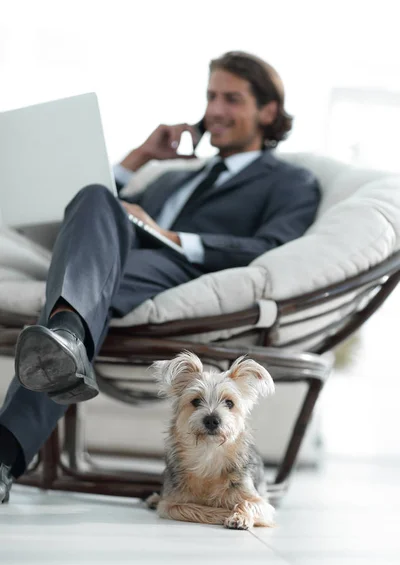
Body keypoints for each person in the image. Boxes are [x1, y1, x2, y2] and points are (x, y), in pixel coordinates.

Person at [0, 51, 320, 503]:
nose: (216, 111)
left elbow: (272, 246)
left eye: (232, 99)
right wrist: (139, 157)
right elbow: (87, 218)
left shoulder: (290, 182)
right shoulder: (170, 177)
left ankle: (9, 445)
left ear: (268, 111)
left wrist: (168, 235)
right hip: (112, 261)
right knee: (95, 194)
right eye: (211, 97)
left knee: (84, 288)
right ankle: (68, 337)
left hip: (179, 266)